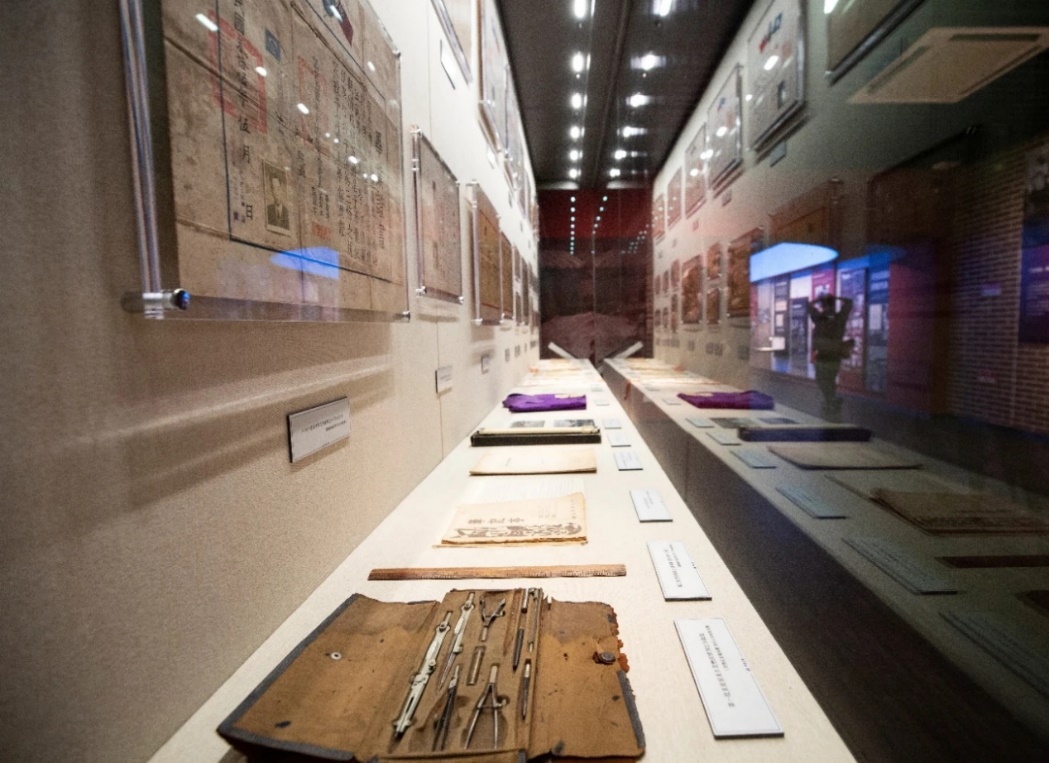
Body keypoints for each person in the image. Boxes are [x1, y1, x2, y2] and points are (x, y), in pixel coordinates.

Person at [808, 292, 854, 420]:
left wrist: (819, 299)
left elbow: (808, 306)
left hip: (822, 356)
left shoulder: (819, 318)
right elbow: (849, 302)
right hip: (835, 357)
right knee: (829, 381)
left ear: (822, 305)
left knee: (822, 380)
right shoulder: (840, 318)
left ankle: (831, 401)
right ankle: (831, 401)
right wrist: (836, 298)